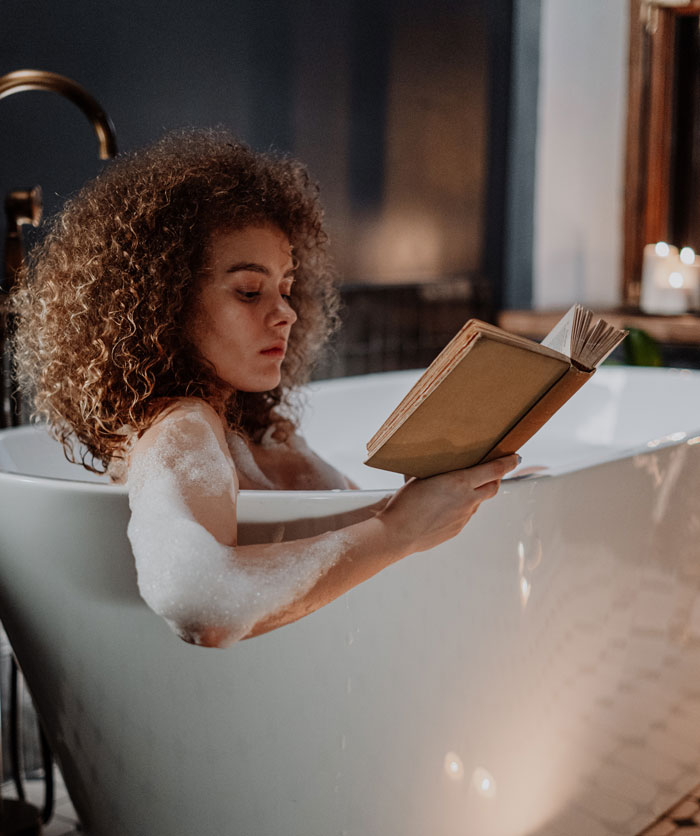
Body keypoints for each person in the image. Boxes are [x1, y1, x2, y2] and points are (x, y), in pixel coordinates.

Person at [11, 128, 518, 648]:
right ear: (163, 305)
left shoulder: (256, 427)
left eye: (286, 287)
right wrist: (398, 532)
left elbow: (344, 516)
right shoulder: (182, 426)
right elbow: (200, 601)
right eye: (250, 291)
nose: (286, 313)